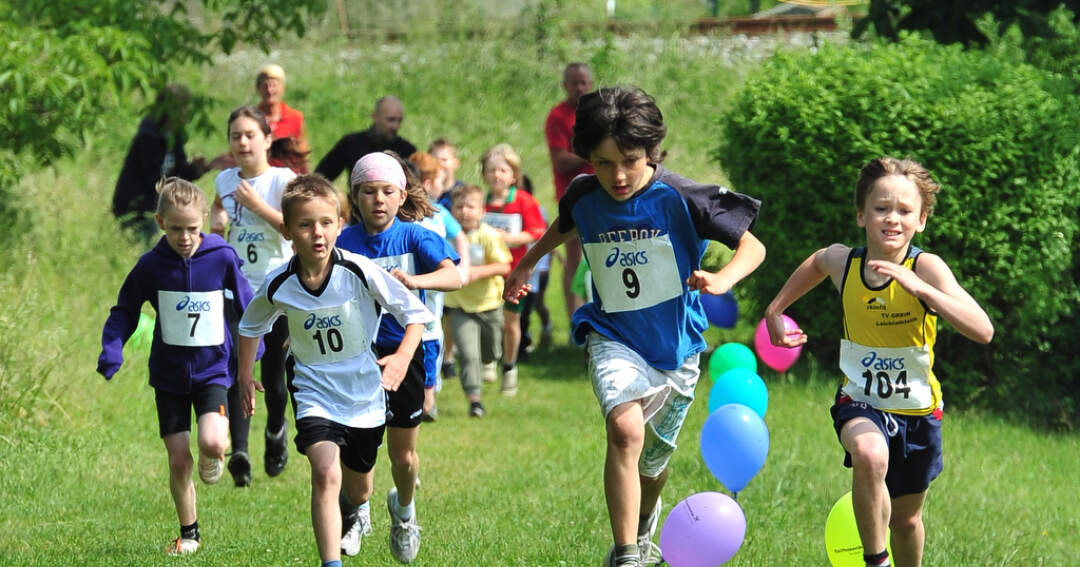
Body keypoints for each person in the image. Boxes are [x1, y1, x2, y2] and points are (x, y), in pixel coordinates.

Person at [505, 85, 765, 567]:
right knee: (624, 429)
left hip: (677, 349)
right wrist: (526, 264)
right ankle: (626, 554)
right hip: (613, 335)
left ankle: (645, 523)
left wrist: (722, 278)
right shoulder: (585, 194)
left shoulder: (683, 196)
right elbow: (565, 225)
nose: (617, 175)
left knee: (654, 464)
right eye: (602, 163)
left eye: (629, 160)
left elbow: (753, 246)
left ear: (651, 150)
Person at [763, 157, 994, 567]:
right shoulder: (846, 264)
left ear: (921, 220)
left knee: (906, 521)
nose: (892, 218)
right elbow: (819, 260)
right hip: (860, 401)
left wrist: (921, 288)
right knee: (870, 454)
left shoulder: (926, 267)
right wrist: (775, 310)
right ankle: (875, 561)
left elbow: (983, 330)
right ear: (861, 215)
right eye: (881, 208)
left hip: (919, 412)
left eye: (905, 211)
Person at [236, 175, 433, 567]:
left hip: (363, 395)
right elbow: (249, 326)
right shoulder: (280, 283)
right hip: (313, 392)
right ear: (288, 232)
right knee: (325, 473)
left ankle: (360, 508)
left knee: (359, 489)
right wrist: (244, 376)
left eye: (326, 222)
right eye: (306, 225)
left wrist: (400, 358)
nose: (317, 233)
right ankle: (331, 563)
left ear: (340, 225)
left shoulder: (359, 271)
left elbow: (415, 316)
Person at [98, 177, 254, 556]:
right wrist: (112, 349)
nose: (184, 237)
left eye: (192, 229)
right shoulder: (151, 266)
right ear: (159, 222)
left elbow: (249, 306)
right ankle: (190, 533)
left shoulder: (220, 257)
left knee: (213, 442)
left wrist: (256, 353)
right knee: (179, 458)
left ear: (203, 220)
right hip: (168, 376)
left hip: (213, 369)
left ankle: (215, 448)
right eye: (175, 229)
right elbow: (125, 310)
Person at [336, 152, 462, 563]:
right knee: (359, 444)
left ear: (401, 194)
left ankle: (404, 511)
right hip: (357, 356)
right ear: (355, 197)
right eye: (368, 192)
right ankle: (356, 513)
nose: (378, 200)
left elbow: (454, 276)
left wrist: (414, 280)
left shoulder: (415, 236)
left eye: (387, 192)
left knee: (402, 455)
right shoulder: (344, 241)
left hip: (407, 353)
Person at [211, 106, 297, 486]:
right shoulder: (223, 180)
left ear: (267, 139)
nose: (242, 142)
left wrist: (257, 206)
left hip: (277, 288)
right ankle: (240, 452)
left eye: (249, 135)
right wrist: (217, 226)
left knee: (274, 378)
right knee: (237, 369)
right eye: (235, 136)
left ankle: (276, 430)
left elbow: (294, 229)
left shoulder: (282, 180)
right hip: (235, 288)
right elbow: (218, 212)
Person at [112, 84, 222, 241]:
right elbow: (156, 181)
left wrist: (202, 168)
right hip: (137, 207)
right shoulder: (149, 137)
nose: (186, 112)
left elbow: (178, 174)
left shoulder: (174, 135)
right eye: (182, 107)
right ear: (170, 109)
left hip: (155, 206)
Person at [408, 151, 472, 420]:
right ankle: (417, 399)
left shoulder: (438, 212)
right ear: (423, 182)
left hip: (435, 289)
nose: (441, 186)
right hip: (411, 289)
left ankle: (428, 401)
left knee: (431, 337)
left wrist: (463, 269)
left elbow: (459, 236)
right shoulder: (406, 215)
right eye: (437, 180)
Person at [480, 143, 546, 395]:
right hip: (486, 272)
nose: (497, 175)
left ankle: (509, 368)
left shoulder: (524, 200)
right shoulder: (479, 201)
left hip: (515, 271)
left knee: (510, 320)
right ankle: (488, 360)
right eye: (491, 170)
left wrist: (508, 238)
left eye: (503, 170)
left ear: (513, 175)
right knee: (486, 318)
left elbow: (537, 232)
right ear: (484, 174)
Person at [445, 183, 513, 417]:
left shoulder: (488, 236)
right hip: (459, 305)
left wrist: (475, 273)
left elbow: (504, 264)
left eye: (470, 206)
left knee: (491, 350)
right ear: (451, 210)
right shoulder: (448, 237)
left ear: (482, 211)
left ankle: (491, 360)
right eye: (459, 206)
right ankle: (475, 400)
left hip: (489, 304)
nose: (465, 211)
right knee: (467, 353)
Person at [544, 63, 595, 322]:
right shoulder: (557, 116)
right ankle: (576, 320)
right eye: (574, 83)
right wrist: (592, 152)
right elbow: (561, 161)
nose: (580, 88)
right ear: (565, 86)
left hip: (602, 193)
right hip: (572, 197)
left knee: (601, 256)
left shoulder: (597, 112)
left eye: (584, 82)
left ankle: (603, 315)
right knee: (574, 261)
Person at [315, 96, 418, 184]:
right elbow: (321, 177)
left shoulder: (407, 150)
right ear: (375, 117)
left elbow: (416, 187)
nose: (396, 126)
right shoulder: (352, 143)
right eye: (390, 120)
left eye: (399, 121)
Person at [255, 63, 310, 173]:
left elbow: (302, 152)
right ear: (258, 89)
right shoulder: (251, 118)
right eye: (265, 86)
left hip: (289, 178)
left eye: (274, 85)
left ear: (282, 88)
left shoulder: (295, 117)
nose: (269, 91)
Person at [428, 138, 464, 210]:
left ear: (456, 163)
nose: (439, 164)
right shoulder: (423, 190)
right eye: (435, 160)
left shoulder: (463, 191)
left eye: (444, 160)